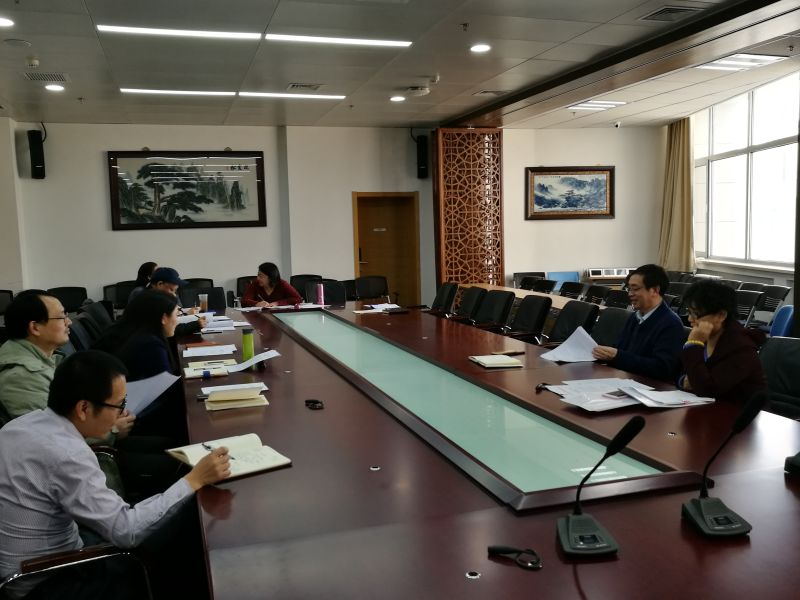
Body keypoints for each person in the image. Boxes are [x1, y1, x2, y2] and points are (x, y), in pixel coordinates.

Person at [0, 350, 230, 599]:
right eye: (119, 405)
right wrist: (195, 480)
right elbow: (126, 532)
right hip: (47, 580)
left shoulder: (22, 425)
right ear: (84, 408)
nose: (122, 412)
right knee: (186, 523)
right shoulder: (67, 454)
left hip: (30, 562)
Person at [93, 290, 184, 438]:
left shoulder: (128, 332)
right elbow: (167, 393)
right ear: (163, 318)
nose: (177, 321)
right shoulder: (151, 345)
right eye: (176, 315)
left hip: (113, 415)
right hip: (135, 425)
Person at [592, 264, 686, 381]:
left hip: (649, 386)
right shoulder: (635, 317)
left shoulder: (671, 324)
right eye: (629, 289)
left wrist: (616, 356)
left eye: (635, 289)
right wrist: (603, 354)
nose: (630, 294)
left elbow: (662, 368)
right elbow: (621, 350)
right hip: (625, 379)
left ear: (655, 290)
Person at [679, 280, 766, 403]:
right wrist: (683, 380)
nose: (689, 319)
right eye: (689, 312)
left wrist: (693, 345)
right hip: (705, 407)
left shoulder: (742, 347)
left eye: (696, 314)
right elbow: (682, 373)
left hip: (738, 411)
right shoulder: (704, 336)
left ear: (721, 315)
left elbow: (708, 389)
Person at [129, 266, 206, 333]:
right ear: (160, 284)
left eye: (175, 291)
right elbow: (166, 329)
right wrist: (195, 325)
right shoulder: (148, 301)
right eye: (171, 290)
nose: (174, 295)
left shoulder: (152, 296)